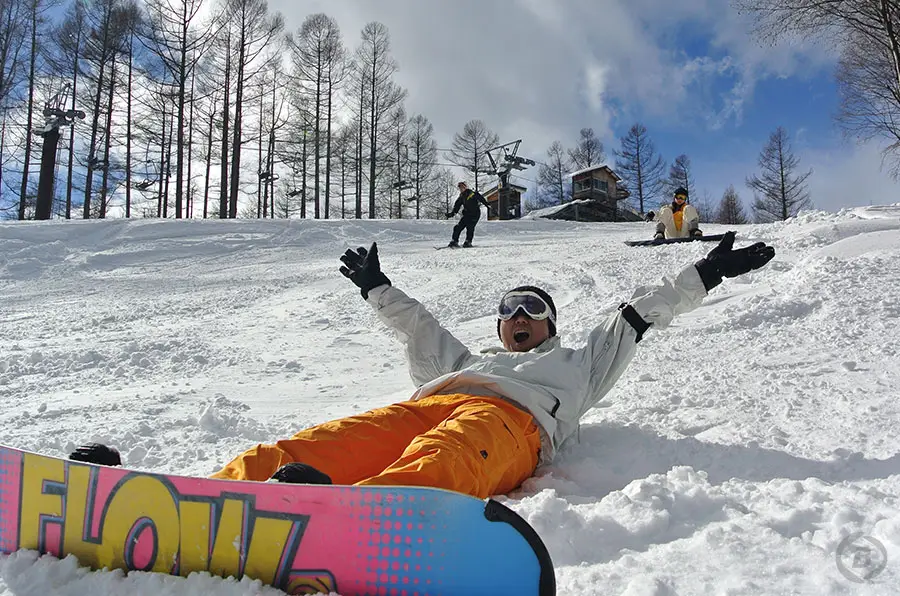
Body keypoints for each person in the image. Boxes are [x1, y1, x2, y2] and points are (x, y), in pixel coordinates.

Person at [69, 232, 775, 499]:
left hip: (508, 426)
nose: (520, 316)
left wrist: (702, 274)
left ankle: (353, 515)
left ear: (552, 323)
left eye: (532, 307)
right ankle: (179, 499)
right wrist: (376, 286)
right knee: (302, 450)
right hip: (429, 403)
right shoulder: (466, 359)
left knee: (448, 455)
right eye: (509, 309)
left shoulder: (578, 367)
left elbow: (640, 313)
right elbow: (419, 327)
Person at [446, 181, 491, 248]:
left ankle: (468, 242)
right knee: (457, 227)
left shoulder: (472, 193)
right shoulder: (461, 196)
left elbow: (481, 198)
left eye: (462, 187)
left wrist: (488, 206)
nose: (461, 189)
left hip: (475, 214)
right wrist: (452, 214)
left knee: (470, 227)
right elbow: (457, 206)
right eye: (460, 188)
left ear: (465, 187)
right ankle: (454, 241)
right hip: (467, 214)